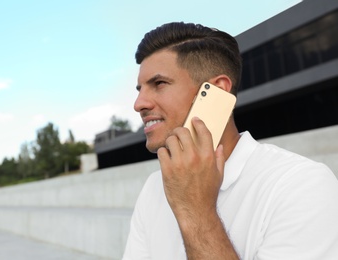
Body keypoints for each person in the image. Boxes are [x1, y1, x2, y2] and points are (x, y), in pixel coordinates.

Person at [122, 22, 338, 259]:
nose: (139, 104)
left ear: (217, 90)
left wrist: (196, 211)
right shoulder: (155, 186)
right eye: (140, 89)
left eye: (159, 84)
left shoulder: (301, 185)